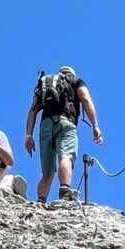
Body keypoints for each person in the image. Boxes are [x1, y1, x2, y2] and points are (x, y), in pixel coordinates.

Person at [23, 67, 103, 204]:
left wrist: (28, 136)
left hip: (45, 126)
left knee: (47, 172)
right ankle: (65, 191)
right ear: (71, 74)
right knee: (66, 156)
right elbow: (85, 99)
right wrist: (95, 125)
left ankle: (41, 200)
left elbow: (32, 111)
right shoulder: (76, 81)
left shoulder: (45, 84)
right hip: (66, 123)